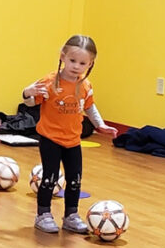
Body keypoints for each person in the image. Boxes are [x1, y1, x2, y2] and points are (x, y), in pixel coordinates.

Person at [21, 35, 117, 234]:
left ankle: (71, 215)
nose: (76, 66)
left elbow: (90, 107)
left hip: (73, 140)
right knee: (50, 176)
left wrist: (101, 125)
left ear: (90, 64)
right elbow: (30, 102)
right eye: (73, 61)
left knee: (75, 178)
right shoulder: (49, 82)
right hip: (50, 138)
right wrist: (27, 92)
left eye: (83, 63)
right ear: (63, 57)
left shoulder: (85, 85)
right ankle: (43, 214)